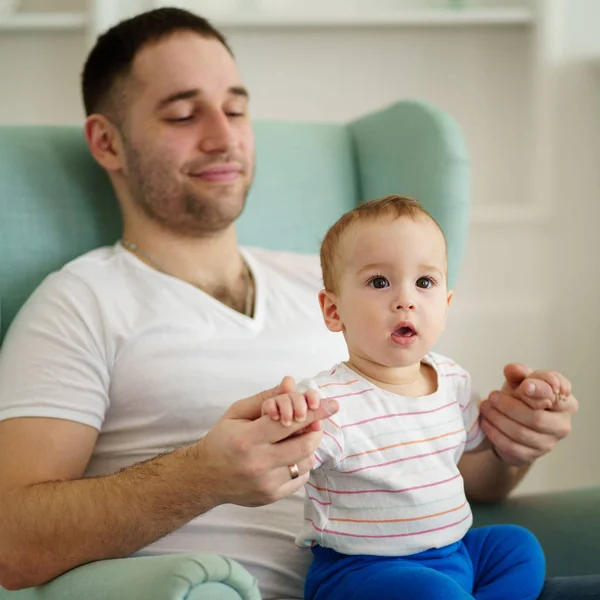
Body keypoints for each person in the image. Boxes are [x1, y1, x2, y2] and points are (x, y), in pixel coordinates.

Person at [0, 7, 589, 600]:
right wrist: (200, 477)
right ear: (107, 142)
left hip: (440, 569)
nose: (223, 136)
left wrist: (514, 443)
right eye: (182, 113)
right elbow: (9, 541)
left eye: (236, 109)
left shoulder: (349, 280)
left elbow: (452, 472)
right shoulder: (81, 304)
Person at [262, 195, 561, 599]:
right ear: (334, 311)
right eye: (379, 282)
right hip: (364, 574)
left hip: (454, 555)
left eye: (425, 283)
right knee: (432, 593)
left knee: (518, 549)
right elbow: (281, 464)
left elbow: (487, 443)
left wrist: (526, 401)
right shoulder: (327, 400)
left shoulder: (451, 380)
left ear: (446, 304)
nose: (406, 299)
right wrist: (283, 422)